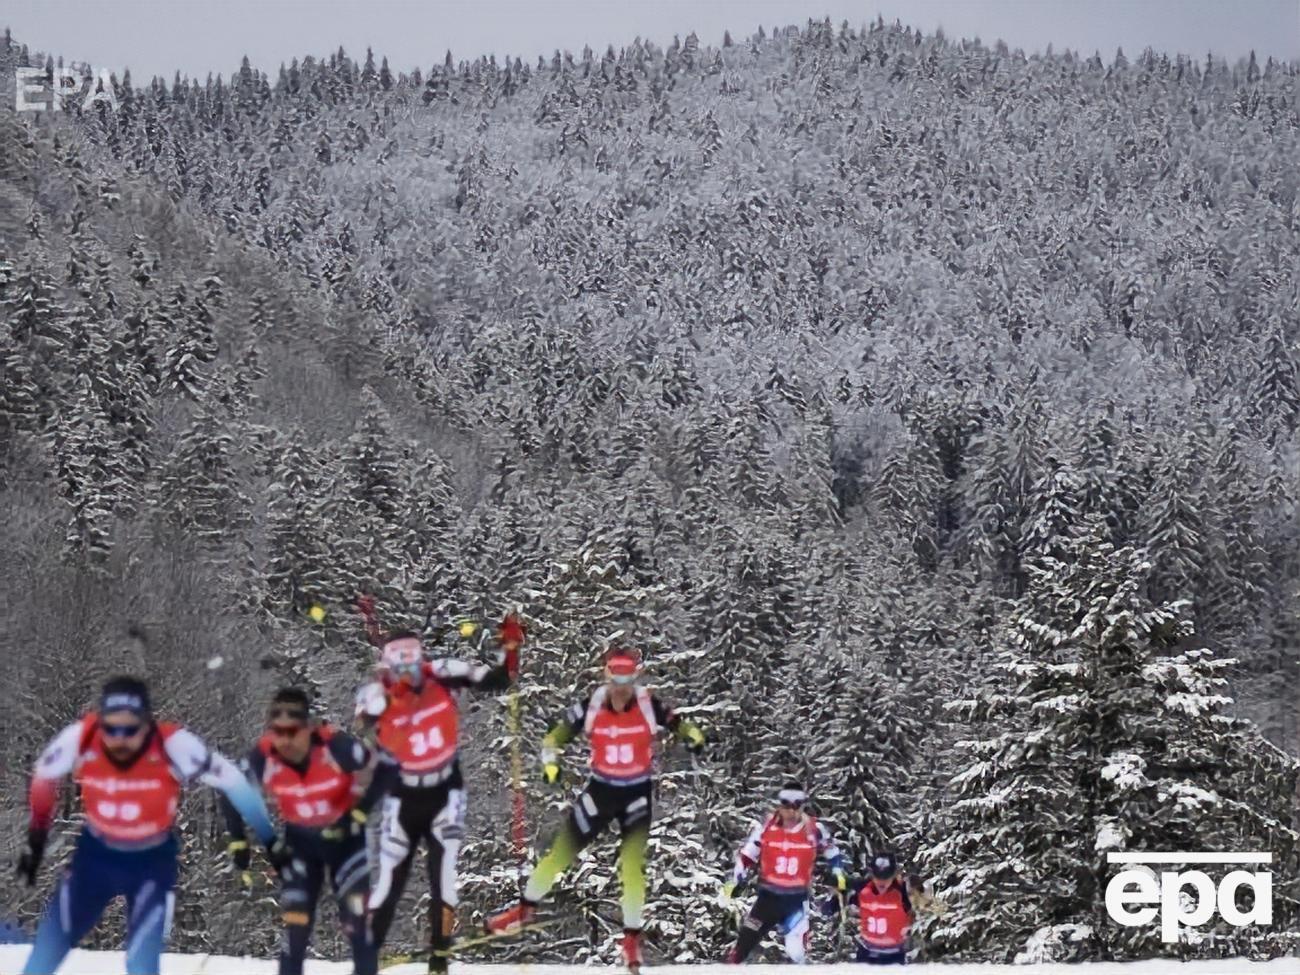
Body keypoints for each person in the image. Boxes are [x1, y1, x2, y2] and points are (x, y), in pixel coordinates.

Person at [15, 676, 279, 975]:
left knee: (142, 964)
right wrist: (36, 838)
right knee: (45, 954)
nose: (120, 738)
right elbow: (43, 776)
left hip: (150, 864)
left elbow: (234, 782)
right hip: (95, 857)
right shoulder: (83, 736)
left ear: (146, 723)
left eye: (130, 729)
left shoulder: (171, 743)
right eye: (111, 728)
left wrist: (269, 840)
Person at [486, 646, 706, 971]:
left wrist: (693, 735)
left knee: (631, 866)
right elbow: (553, 739)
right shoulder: (591, 706)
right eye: (615, 676)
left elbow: (680, 724)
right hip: (601, 790)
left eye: (628, 677)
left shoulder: (647, 704)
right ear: (606, 675)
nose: (621, 685)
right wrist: (550, 767)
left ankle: (631, 941)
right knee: (561, 852)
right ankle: (524, 909)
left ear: (636, 676)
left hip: (636, 793)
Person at [355, 617, 523, 973]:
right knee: (389, 880)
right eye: (397, 658)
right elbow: (364, 719)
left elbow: (498, 680)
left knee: (442, 876)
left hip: (445, 793)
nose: (407, 665)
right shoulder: (381, 690)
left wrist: (511, 651)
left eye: (412, 655)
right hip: (403, 797)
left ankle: (440, 959)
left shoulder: (443, 672)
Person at [221, 688, 399, 975]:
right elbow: (230, 790)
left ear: (308, 728)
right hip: (301, 843)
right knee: (296, 925)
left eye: (292, 732)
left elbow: (387, 768)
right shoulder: (265, 754)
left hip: (345, 842)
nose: (285, 741)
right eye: (278, 732)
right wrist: (239, 843)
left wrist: (359, 812)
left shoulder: (334, 745)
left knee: (357, 925)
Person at [722, 782, 847, 964]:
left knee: (797, 953)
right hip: (767, 901)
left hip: (796, 903)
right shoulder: (766, 829)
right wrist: (733, 882)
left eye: (797, 804)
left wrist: (838, 875)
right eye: (787, 804)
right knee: (742, 945)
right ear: (780, 805)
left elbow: (832, 852)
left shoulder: (813, 830)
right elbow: (746, 857)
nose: (792, 810)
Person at [821, 851, 914, 965]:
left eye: (886, 878)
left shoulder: (903, 891)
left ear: (894, 875)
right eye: (878, 878)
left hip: (894, 955)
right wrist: (834, 887)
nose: (882, 882)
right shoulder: (864, 889)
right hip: (867, 954)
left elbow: (923, 903)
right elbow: (842, 884)